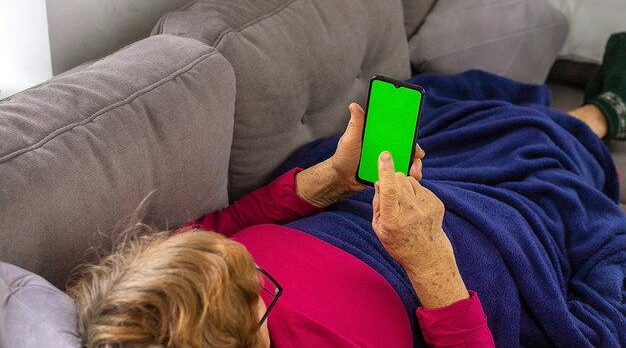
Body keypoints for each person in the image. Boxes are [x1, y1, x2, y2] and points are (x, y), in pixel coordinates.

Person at [68, 38, 626, 346]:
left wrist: (332, 178)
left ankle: (586, 117)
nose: (260, 279)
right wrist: (429, 260)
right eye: (257, 298)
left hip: (360, 207)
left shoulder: (156, 289)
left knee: (461, 127)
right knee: (541, 163)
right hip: (448, 257)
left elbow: (228, 224)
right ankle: (602, 115)